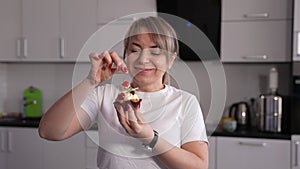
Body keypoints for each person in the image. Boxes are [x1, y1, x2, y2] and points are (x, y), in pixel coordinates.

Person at [39, 16, 208, 169]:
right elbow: (49, 131)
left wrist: (150, 138)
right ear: (126, 55)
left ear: (171, 59)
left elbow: (199, 166)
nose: (143, 59)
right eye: (135, 50)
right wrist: (90, 81)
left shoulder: (185, 102)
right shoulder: (105, 95)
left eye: (155, 52)